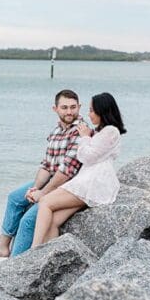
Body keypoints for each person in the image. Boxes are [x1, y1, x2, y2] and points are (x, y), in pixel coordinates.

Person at [0, 89, 84, 260]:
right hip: (52, 179)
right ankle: (2, 246)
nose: (69, 112)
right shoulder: (56, 131)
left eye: (73, 107)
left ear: (79, 107)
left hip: (67, 185)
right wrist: (35, 188)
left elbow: (65, 172)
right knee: (15, 198)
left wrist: (42, 193)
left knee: (28, 220)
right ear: (55, 109)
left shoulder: (81, 132)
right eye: (64, 107)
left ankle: (14, 263)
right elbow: (46, 166)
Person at [31, 92, 126, 248]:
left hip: (93, 183)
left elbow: (86, 157)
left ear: (102, 111)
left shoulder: (111, 131)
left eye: (92, 110)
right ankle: (50, 255)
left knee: (45, 201)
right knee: (54, 220)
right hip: (87, 181)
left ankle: (34, 249)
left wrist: (84, 137)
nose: (89, 114)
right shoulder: (102, 131)